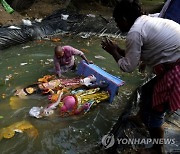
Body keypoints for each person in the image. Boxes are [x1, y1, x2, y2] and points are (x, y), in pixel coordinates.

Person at [101, 0, 180, 154]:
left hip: (175, 70)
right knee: (147, 89)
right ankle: (140, 118)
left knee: (155, 109)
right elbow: (136, 57)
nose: (117, 26)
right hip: (173, 62)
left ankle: (157, 149)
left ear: (124, 19)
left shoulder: (135, 32)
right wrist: (118, 50)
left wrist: (113, 52)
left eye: (117, 22)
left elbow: (128, 67)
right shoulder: (148, 20)